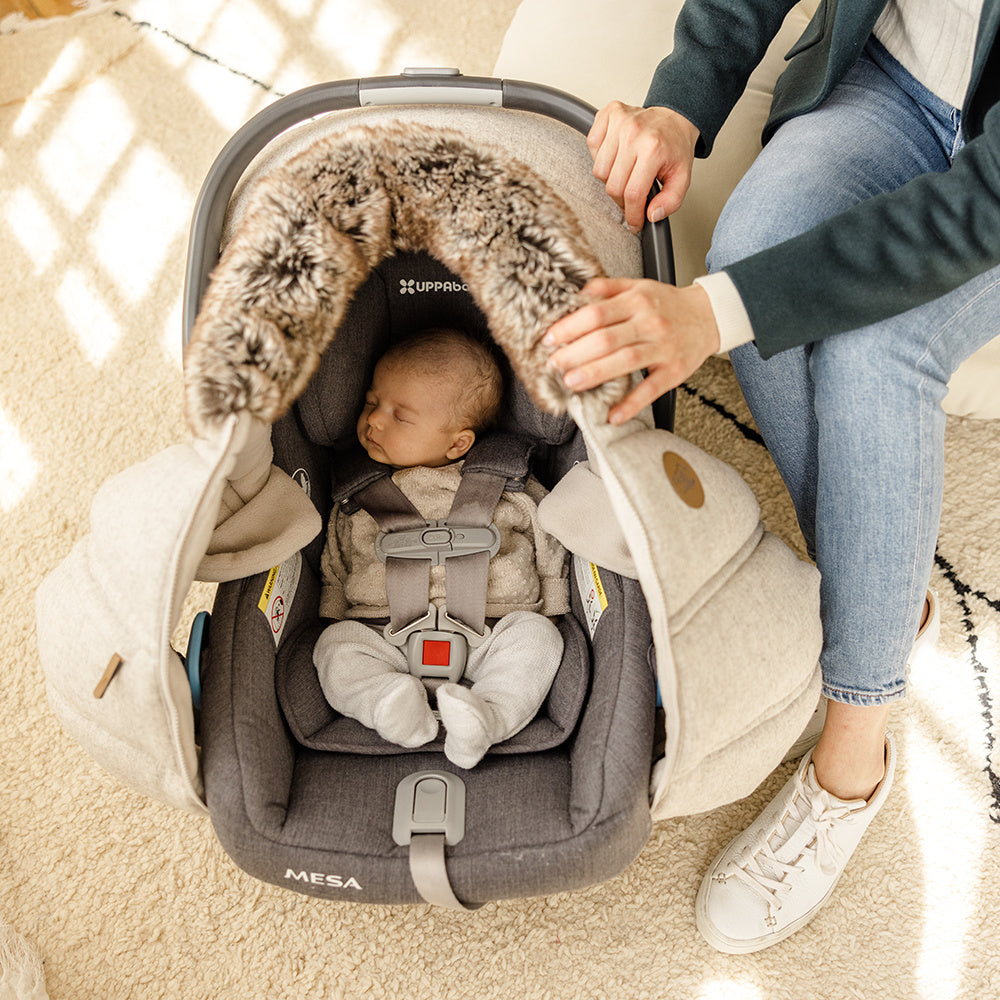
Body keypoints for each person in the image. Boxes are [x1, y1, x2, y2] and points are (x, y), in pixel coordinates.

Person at [544, 0, 1000, 953]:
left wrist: (712, 315)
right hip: (891, 82)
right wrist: (681, 102)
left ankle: (854, 753)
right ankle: (886, 596)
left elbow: (981, 210)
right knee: (752, 246)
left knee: (877, 351)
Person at [314, 328, 569, 769]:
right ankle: (388, 702)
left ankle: (487, 716)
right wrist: (333, 608)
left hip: (495, 624)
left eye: (401, 416)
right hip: (381, 631)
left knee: (539, 639)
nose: (374, 420)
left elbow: (545, 531)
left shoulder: (506, 484)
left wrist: (554, 596)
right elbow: (335, 558)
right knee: (334, 647)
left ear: (458, 442)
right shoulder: (357, 494)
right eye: (372, 403)